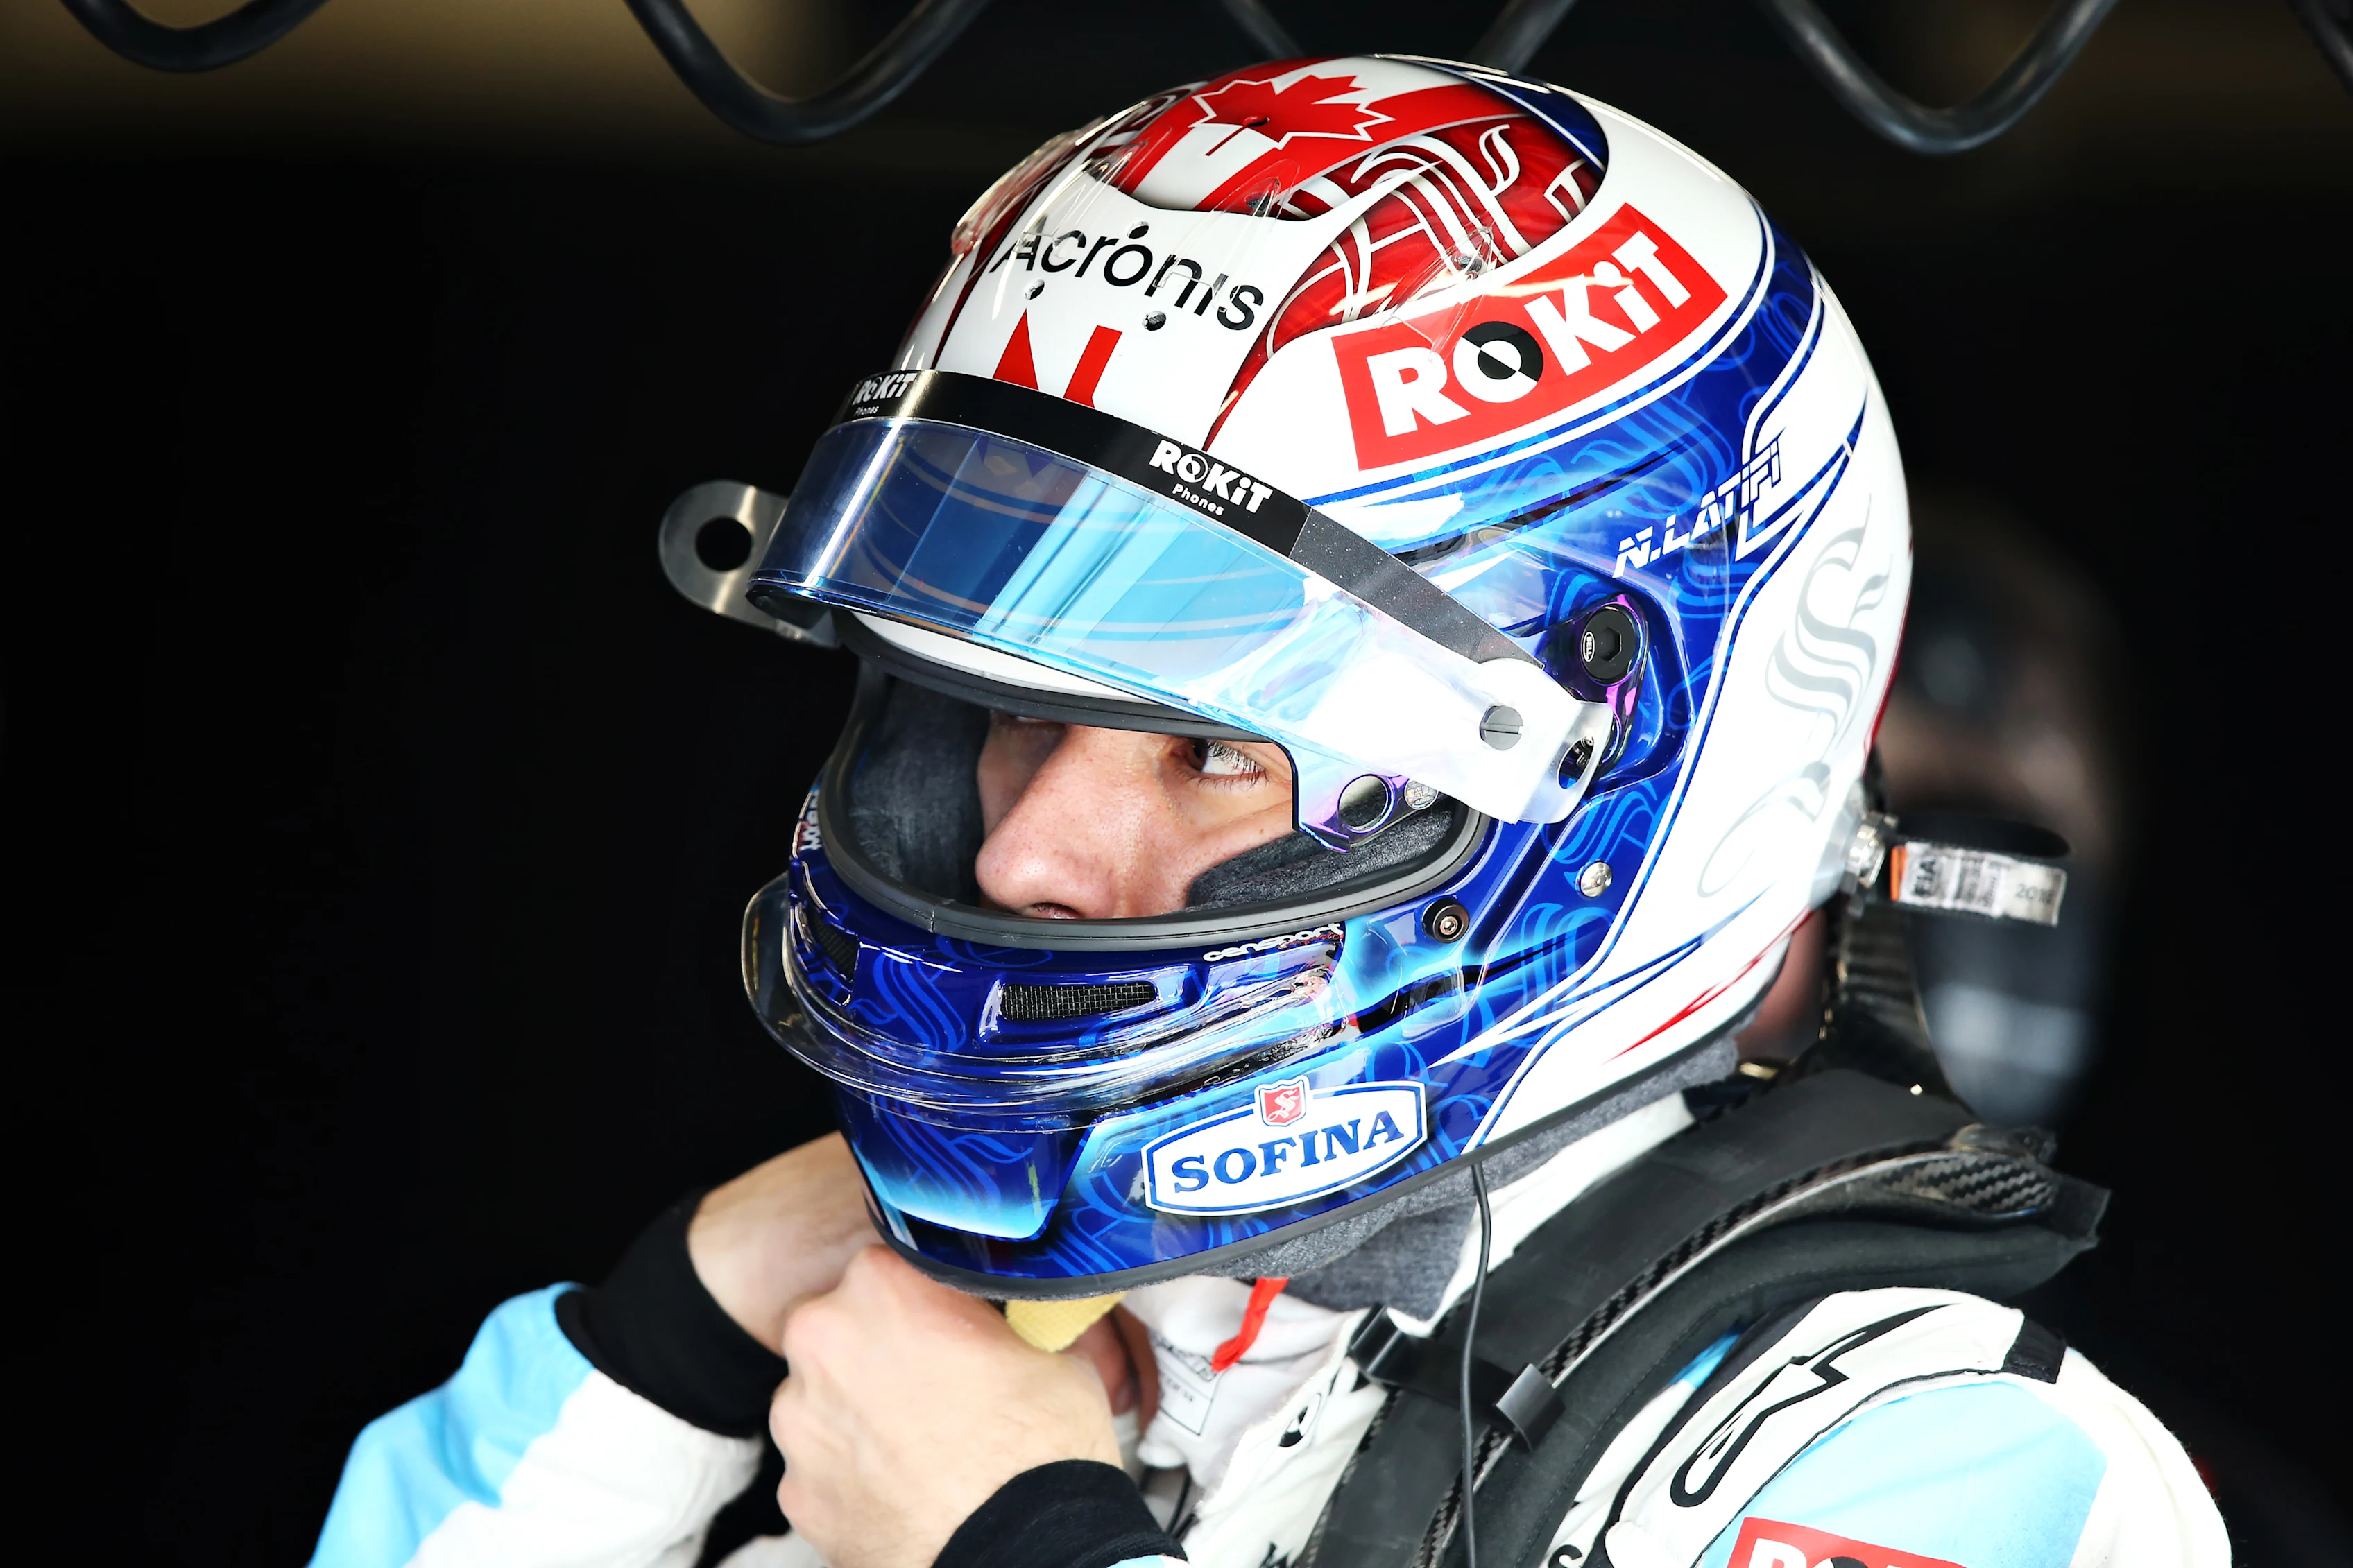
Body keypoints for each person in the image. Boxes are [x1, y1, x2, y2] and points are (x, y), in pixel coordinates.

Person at [313, 56, 2225, 1568]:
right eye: (1003, 715)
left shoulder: (1944, 1466)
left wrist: (1024, 1543)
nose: (1022, 855)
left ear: (1602, 788)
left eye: (1212, 754)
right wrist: (672, 1338)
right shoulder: (942, 1403)